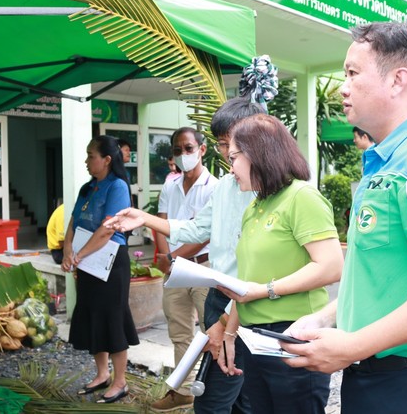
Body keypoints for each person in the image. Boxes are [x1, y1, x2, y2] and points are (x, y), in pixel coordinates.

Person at [281, 22, 407, 414]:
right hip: (378, 374)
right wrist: (326, 318)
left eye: (352, 73)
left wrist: (354, 345)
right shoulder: (385, 164)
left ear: (397, 80)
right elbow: (385, 280)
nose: (342, 87)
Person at [106, 96, 268, 413]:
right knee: (232, 396)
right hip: (219, 299)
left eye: (230, 145)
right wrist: (144, 218)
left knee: (221, 399)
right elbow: (196, 229)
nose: (227, 154)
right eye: (224, 145)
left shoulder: (272, 192)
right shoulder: (225, 187)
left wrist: (230, 323)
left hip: (248, 302)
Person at [218, 113, 344, 414]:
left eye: (234, 157)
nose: (230, 166)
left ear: (258, 154)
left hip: (293, 335)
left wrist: (264, 291)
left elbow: (330, 266)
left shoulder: (301, 197)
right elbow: (246, 281)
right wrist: (229, 334)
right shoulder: (255, 205)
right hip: (253, 338)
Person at [60, 135, 138, 404]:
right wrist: (68, 250)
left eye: (91, 155)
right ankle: (102, 374)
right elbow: (72, 221)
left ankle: (120, 382)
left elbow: (108, 230)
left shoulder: (117, 187)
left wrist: (79, 255)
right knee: (92, 315)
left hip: (110, 263)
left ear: (106, 160)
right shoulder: (88, 187)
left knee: (112, 318)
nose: (86, 160)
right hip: (86, 263)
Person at [150, 127, 218, 410]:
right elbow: (160, 221)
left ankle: (214, 394)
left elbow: (205, 234)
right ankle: (182, 390)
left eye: (188, 149)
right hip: (175, 270)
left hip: (202, 269)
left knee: (211, 332)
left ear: (202, 150)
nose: (183, 155)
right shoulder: (170, 185)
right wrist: (165, 256)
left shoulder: (215, 187)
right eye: (177, 150)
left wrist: (172, 257)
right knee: (179, 333)